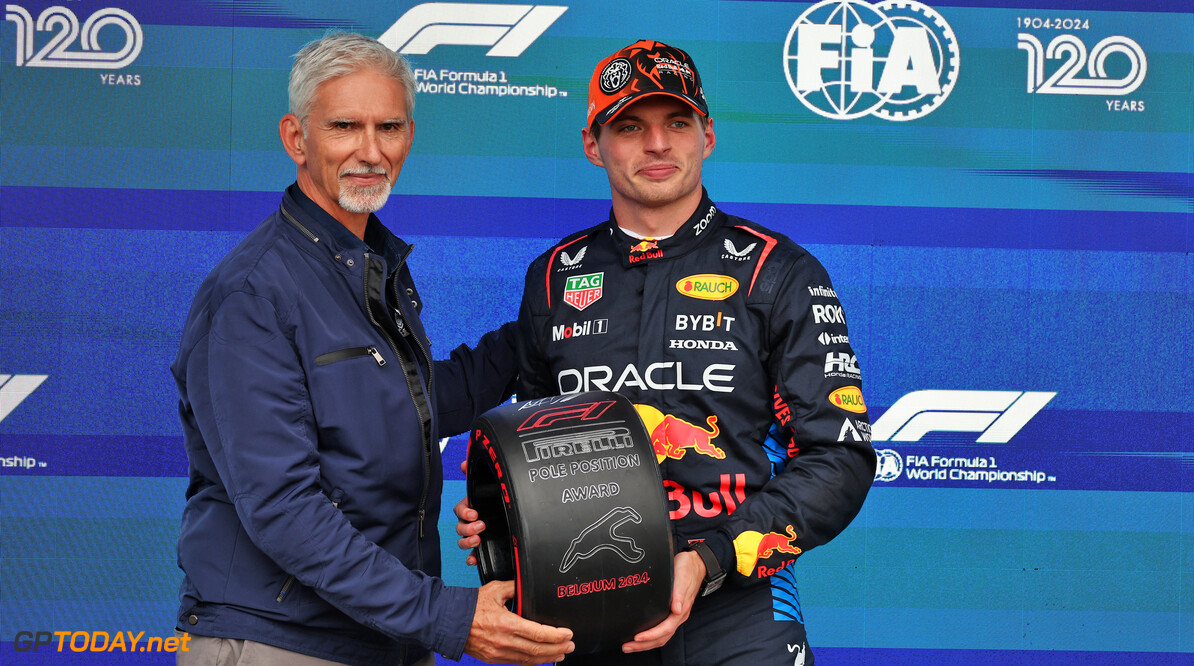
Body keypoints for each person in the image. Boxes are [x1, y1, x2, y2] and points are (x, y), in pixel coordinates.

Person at [456, 40, 876, 664]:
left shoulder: (777, 270)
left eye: (676, 123)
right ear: (593, 144)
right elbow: (542, 449)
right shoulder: (551, 278)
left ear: (706, 136)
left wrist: (708, 560)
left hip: (738, 610)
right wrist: (503, 513)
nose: (657, 145)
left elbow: (839, 457)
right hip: (588, 611)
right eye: (629, 126)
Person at [172, 32, 573, 666]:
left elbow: (405, 405)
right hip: (283, 642)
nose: (369, 151)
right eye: (343, 127)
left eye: (388, 127)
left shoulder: (366, 264)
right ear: (296, 138)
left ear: (409, 136)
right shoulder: (253, 294)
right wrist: (447, 617)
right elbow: (282, 507)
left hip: (381, 637)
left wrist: (547, 331)